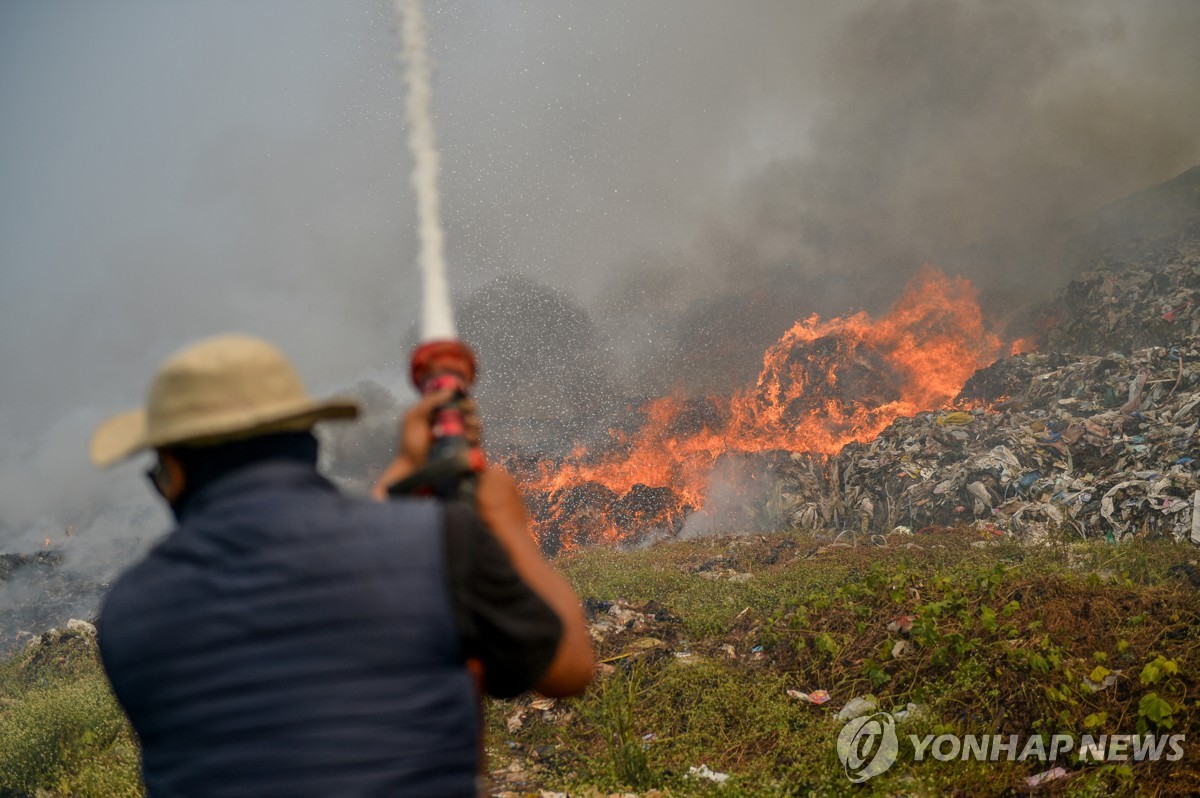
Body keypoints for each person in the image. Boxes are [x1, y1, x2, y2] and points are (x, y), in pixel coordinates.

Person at [91, 333, 594, 797]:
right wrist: (504, 517)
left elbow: (315, 606)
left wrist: (402, 471)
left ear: (174, 471)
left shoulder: (128, 614)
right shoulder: (434, 544)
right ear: (308, 440)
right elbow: (569, 668)